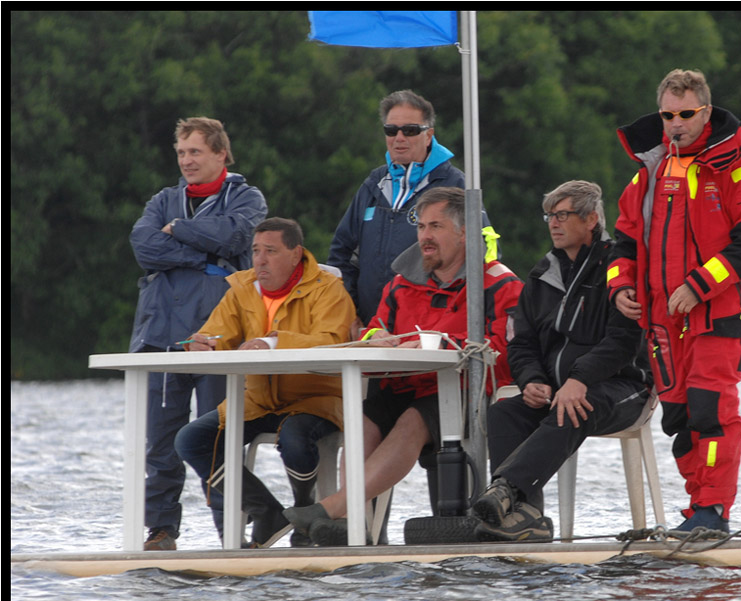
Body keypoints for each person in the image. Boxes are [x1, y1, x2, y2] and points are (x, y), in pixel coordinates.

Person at [285, 187, 523, 546]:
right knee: (361, 421)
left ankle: (332, 509)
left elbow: (507, 352)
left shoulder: (500, 284)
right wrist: (377, 339)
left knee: (413, 420)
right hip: (401, 383)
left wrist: (442, 343)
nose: (425, 237)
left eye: (436, 227)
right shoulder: (400, 283)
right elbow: (375, 328)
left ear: (464, 233)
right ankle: (349, 523)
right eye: (421, 227)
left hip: (464, 391)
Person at [608, 69, 741, 533]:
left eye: (685, 114)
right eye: (668, 115)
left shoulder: (739, 166)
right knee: (679, 419)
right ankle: (697, 509)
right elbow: (623, 241)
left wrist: (698, 286)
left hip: (718, 310)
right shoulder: (649, 171)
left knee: (712, 410)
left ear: (705, 112)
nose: (676, 123)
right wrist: (621, 287)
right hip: (661, 317)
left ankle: (713, 512)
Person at [473, 181, 651, 542]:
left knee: (575, 406)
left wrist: (579, 379)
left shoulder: (620, 270)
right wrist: (531, 380)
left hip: (625, 388)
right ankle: (529, 517)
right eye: (549, 216)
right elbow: (521, 342)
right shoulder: (542, 276)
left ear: (590, 220)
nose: (553, 223)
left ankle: (505, 491)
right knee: (503, 411)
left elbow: (624, 342)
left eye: (562, 215)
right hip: (560, 390)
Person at [173, 218, 356, 548]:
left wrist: (272, 342)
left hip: (315, 398)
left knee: (295, 438)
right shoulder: (242, 289)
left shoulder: (329, 289)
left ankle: (305, 515)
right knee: (191, 440)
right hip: (257, 399)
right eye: (256, 251)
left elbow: (332, 340)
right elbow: (218, 335)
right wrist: (200, 342)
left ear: (296, 253)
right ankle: (265, 510)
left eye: (270, 251)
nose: (260, 260)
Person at [129, 117, 267, 550]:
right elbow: (142, 244)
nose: (187, 161)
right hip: (162, 336)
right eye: (181, 153)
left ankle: (232, 532)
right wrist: (201, 257)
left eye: (195, 152)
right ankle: (161, 529)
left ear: (221, 153)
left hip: (219, 339)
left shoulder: (246, 197)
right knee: (161, 443)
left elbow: (234, 234)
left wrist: (180, 233)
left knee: (217, 440)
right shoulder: (163, 199)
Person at [328, 89, 499, 340]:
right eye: (391, 130)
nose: (399, 137)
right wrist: (349, 310)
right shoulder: (374, 184)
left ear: (428, 135)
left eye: (409, 130)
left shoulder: (456, 184)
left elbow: (487, 251)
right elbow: (340, 253)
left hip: (431, 332)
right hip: (373, 330)